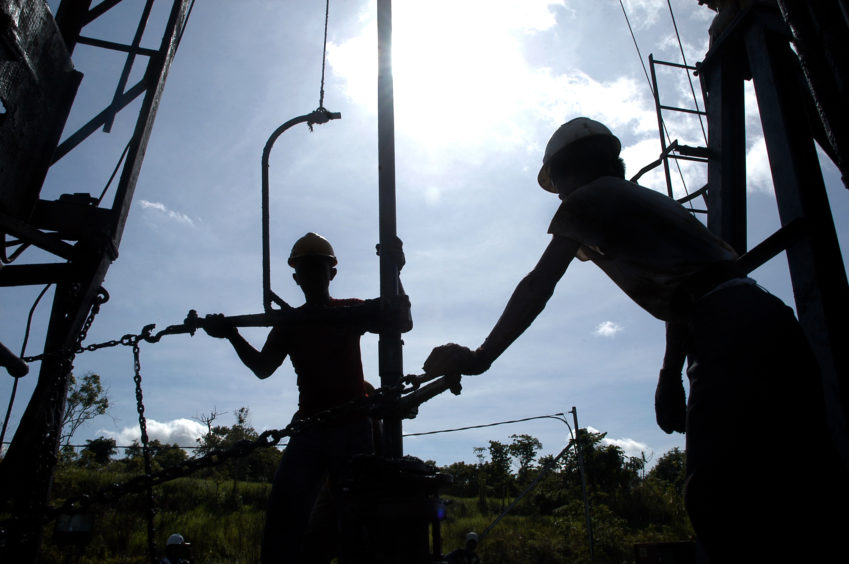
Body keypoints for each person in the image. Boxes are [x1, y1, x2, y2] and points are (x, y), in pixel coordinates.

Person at [423, 118, 848, 562]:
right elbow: (685, 293)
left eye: (559, 185)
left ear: (570, 171)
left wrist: (481, 356)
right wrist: (670, 375)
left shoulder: (588, 198)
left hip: (727, 330)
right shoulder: (645, 201)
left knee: (716, 495)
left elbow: (539, 285)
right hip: (766, 318)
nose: (561, 197)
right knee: (806, 479)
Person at [203, 232, 411, 564]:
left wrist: (396, 271)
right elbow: (263, 367)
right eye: (306, 268)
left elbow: (401, 320)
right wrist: (232, 334)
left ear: (332, 273)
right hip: (310, 429)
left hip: (353, 427)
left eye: (318, 267)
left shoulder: (348, 312)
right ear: (297, 277)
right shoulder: (290, 324)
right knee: (284, 516)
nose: (313, 274)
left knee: (357, 520)